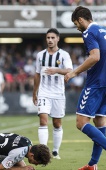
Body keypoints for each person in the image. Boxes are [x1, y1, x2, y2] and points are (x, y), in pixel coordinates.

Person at [64, 6, 106, 170]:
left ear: (80, 19)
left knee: (81, 122)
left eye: (76, 24)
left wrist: (74, 72)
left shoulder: (89, 32)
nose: (77, 27)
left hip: (96, 82)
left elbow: (95, 56)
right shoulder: (105, 31)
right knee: (100, 122)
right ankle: (93, 164)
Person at [32, 28, 73, 159]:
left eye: (52, 38)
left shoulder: (64, 55)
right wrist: (35, 92)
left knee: (57, 123)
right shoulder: (40, 55)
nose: (50, 40)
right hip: (44, 93)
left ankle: (55, 151)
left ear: (58, 39)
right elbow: (37, 74)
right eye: (48, 38)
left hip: (58, 94)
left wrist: (57, 70)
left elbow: (69, 70)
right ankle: (42, 152)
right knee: (43, 121)